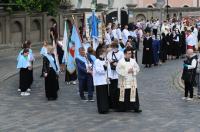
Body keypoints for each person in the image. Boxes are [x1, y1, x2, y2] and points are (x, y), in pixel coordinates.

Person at [116, 47, 142, 113]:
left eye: (130, 53)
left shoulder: (133, 61)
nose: (130, 55)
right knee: (124, 94)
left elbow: (138, 68)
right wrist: (127, 71)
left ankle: (135, 108)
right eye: (128, 53)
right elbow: (118, 70)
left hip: (131, 81)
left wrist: (133, 70)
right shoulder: (120, 62)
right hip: (123, 81)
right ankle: (122, 108)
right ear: (125, 54)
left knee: (133, 94)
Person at [107, 42, 124, 109]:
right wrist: (112, 62)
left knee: (117, 89)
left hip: (118, 74)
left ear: (117, 47)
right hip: (111, 73)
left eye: (114, 47)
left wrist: (117, 64)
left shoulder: (121, 53)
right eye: (112, 47)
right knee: (111, 90)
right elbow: (108, 59)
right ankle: (111, 104)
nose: (113, 49)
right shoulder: (109, 53)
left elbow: (122, 61)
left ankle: (117, 104)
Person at [93, 48, 110, 114]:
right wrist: (105, 67)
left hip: (105, 81)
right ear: (101, 53)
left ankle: (106, 108)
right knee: (101, 96)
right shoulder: (96, 61)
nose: (106, 54)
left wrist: (109, 77)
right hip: (99, 81)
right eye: (105, 53)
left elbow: (108, 70)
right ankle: (101, 109)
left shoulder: (105, 60)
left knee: (105, 95)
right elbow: (98, 71)